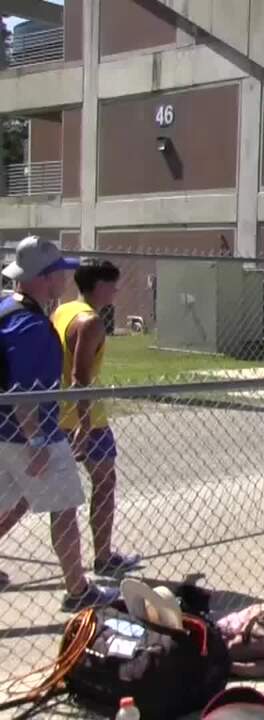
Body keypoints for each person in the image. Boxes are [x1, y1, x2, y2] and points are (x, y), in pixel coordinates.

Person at [0, 236, 118, 609]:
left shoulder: (7, 307)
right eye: (58, 274)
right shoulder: (30, 326)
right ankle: (78, 590)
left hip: (4, 433)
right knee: (64, 509)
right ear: (43, 277)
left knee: (7, 504)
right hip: (34, 435)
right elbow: (26, 392)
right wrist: (36, 442)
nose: (64, 280)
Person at [51, 260, 142, 576]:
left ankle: (102, 557)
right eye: (112, 284)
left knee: (32, 493)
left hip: (55, 412)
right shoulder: (90, 322)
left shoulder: (64, 310)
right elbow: (80, 378)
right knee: (104, 483)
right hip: (86, 419)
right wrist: (85, 427)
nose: (116, 290)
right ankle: (103, 558)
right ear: (99, 286)